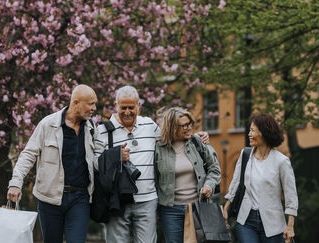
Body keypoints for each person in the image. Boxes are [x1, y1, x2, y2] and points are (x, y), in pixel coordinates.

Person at [94, 86, 209, 243]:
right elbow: (95, 164)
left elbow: (171, 137)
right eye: (123, 107)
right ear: (116, 105)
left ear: (138, 106)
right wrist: (115, 156)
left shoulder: (149, 125)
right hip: (117, 201)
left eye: (131, 107)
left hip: (147, 201)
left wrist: (196, 136)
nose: (127, 112)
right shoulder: (102, 131)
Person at [7, 84, 98, 243]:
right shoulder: (48, 124)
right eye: (90, 103)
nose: (94, 108)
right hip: (49, 199)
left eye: (94, 103)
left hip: (80, 199)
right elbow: (28, 154)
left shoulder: (91, 128)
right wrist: (15, 183)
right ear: (75, 103)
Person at [223, 113, 298, 243]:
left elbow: (290, 194)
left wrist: (290, 226)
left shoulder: (282, 161)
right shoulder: (245, 154)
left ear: (264, 133)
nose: (249, 134)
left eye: (252, 130)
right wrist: (226, 208)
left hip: (273, 223)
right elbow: (235, 183)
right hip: (246, 220)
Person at [154, 107, 221, 243]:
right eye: (184, 125)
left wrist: (209, 185)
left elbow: (214, 169)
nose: (189, 128)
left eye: (190, 124)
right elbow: (154, 180)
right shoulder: (158, 148)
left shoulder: (197, 142)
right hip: (170, 210)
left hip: (198, 207)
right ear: (172, 127)